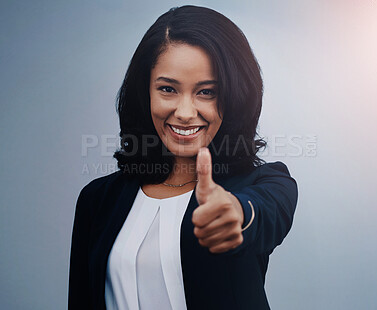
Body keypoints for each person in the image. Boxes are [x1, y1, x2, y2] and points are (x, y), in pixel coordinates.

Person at [68, 5, 298, 310]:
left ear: (235, 97)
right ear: (145, 92)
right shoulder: (97, 200)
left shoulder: (267, 183)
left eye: (206, 92)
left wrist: (237, 216)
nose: (186, 113)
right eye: (167, 89)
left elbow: (266, 217)